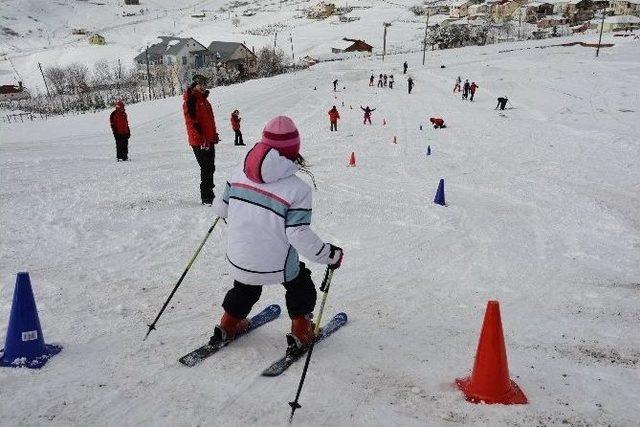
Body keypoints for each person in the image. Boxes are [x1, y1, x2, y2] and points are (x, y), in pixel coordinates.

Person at [211, 116, 344, 352]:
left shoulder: (237, 173)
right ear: (294, 150)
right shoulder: (297, 190)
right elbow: (299, 235)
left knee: (246, 286)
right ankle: (301, 330)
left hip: (239, 257)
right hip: (277, 263)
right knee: (299, 284)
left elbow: (221, 209)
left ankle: (228, 324)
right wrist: (330, 255)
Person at [183, 74, 219, 205]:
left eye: (205, 84)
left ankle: (210, 193)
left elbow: (209, 121)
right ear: (195, 85)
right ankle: (206, 197)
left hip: (208, 139)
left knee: (211, 167)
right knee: (206, 167)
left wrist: (213, 135)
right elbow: (191, 122)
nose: (203, 87)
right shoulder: (191, 101)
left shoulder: (204, 100)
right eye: (200, 84)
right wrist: (201, 137)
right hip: (199, 141)